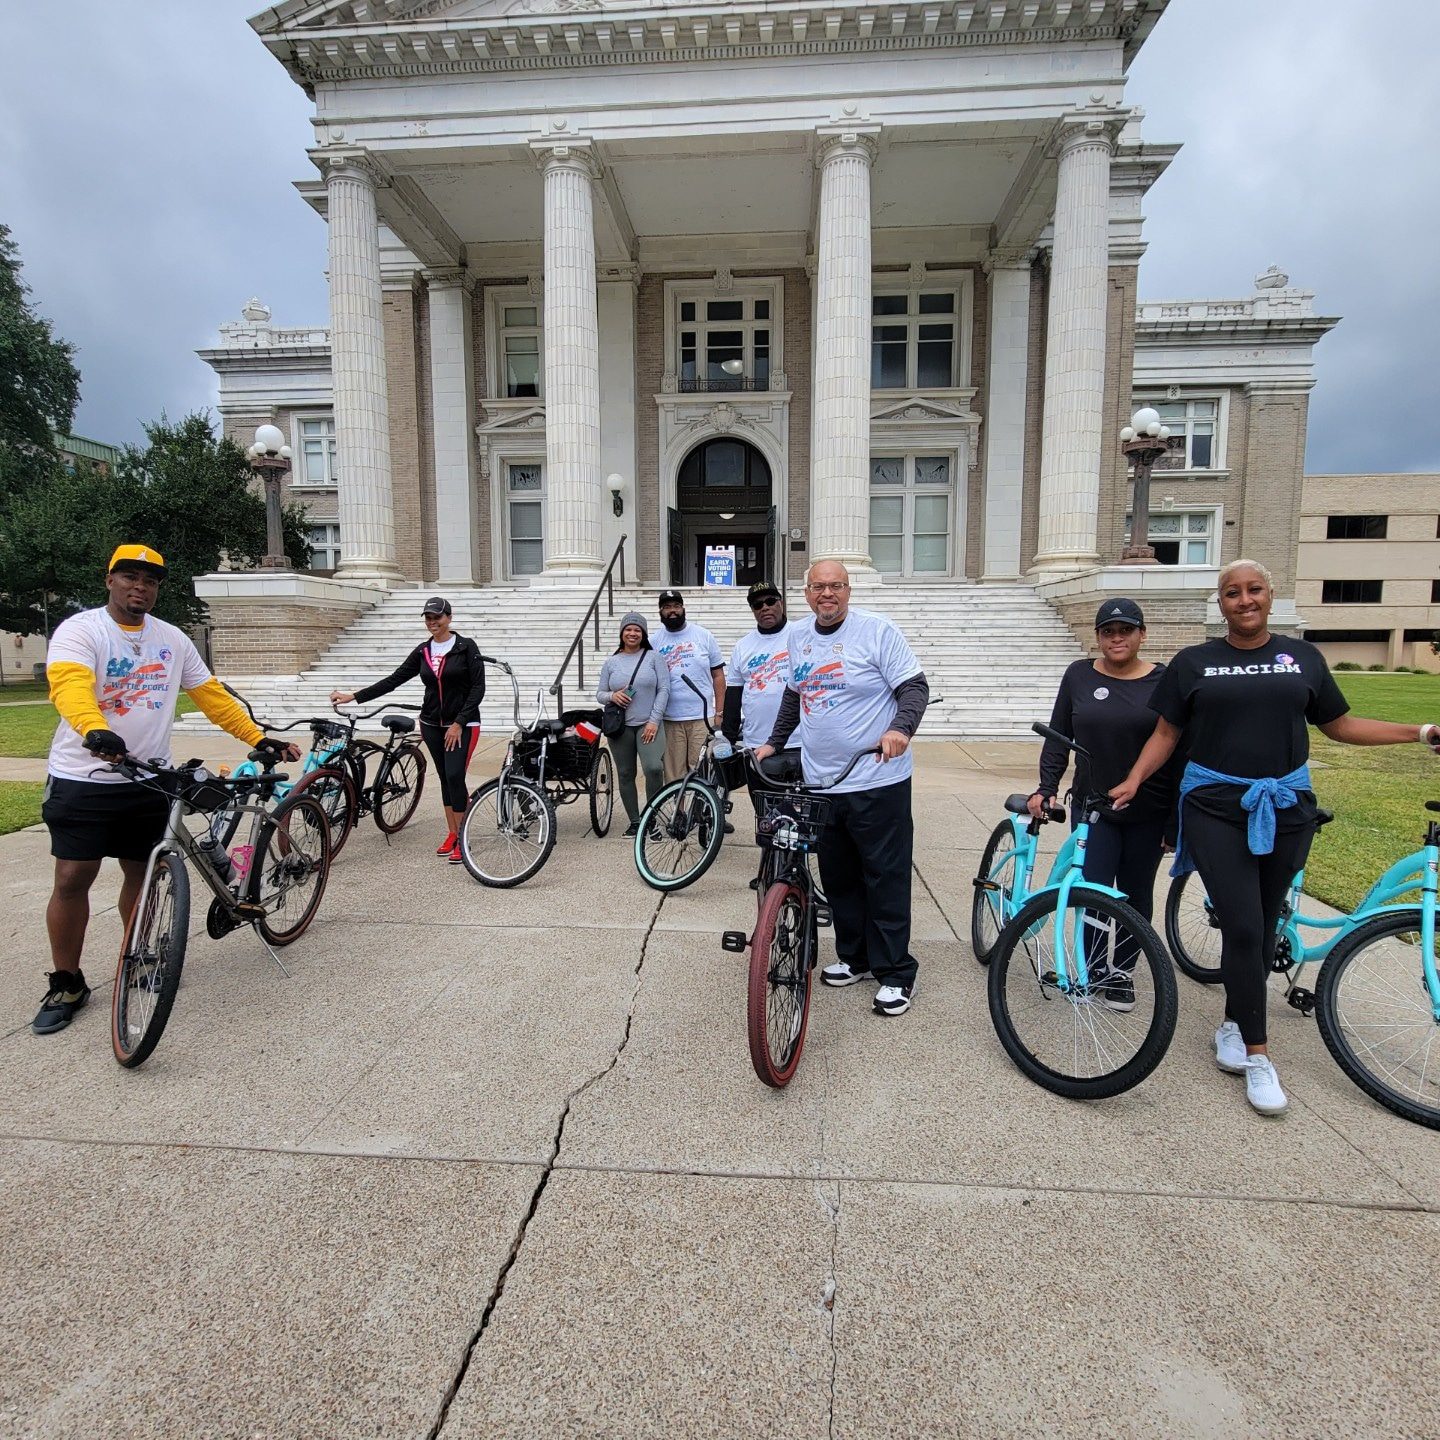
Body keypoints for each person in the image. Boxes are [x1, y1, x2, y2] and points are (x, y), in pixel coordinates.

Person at [1111, 559, 1440, 1115]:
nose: (1244, 599)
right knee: (1242, 922)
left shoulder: (1302, 658)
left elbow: (1340, 726)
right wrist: (1134, 779)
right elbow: (1167, 732)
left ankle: (1236, 1023)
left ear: (1270, 595)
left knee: (1264, 927)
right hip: (1216, 803)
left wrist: (1421, 731)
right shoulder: (1194, 663)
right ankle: (1258, 1057)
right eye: (1232, 592)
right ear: (1221, 603)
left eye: (1253, 590)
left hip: (1287, 805)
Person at [34, 544, 300, 1037]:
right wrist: (95, 729)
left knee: (143, 875)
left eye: (151, 580)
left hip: (149, 778)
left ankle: (138, 957)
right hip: (83, 776)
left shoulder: (172, 639)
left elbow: (211, 696)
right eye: (130, 576)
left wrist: (257, 737)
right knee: (72, 878)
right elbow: (68, 684)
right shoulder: (82, 629)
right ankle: (67, 982)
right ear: (109, 580)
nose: (141, 586)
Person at [754, 559, 929, 1016]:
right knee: (839, 876)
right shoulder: (798, 637)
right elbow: (795, 694)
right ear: (807, 593)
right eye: (817, 587)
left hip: (877, 778)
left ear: (847, 590)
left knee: (884, 875)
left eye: (835, 586)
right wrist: (773, 742)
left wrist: (901, 730)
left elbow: (914, 688)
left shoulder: (877, 631)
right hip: (822, 781)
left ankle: (895, 972)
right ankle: (855, 957)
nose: (826, 594)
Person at [1030, 597, 1180, 1010]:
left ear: (1141, 635)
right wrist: (1047, 786)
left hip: (1148, 807)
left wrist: (1174, 821)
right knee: (1093, 886)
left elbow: (1178, 749)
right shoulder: (1078, 675)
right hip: (1094, 806)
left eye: (1126, 631)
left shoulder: (1165, 682)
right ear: (1097, 637)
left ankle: (1121, 972)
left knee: (1134, 893)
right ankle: (1095, 966)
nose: (1117, 638)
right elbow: (1059, 734)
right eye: (1108, 632)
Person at [330, 596, 485, 862]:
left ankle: (463, 836)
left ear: (449, 617)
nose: (432, 622)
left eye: (437, 617)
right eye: (428, 617)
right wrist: (353, 696)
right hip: (431, 724)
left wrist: (459, 722)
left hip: (462, 725)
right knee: (445, 778)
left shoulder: (466, 647)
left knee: (456, 776)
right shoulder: (423, 651)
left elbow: (477, 688)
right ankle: (453, 832)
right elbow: (394, 680)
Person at [721, 580, 794, 817]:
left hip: (799, 743)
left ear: (780, 603)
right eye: (757, 604)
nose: (765, 607)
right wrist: (728, 738)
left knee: (798, 821)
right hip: (756, 744)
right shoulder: (743, 646)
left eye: (770, 601)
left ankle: (792, 856)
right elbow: (733, 696)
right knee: (765, 818)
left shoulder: (801, 635)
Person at [595, 611, 667, 837]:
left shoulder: (654, 658)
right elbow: (600, 693)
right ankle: (635, 821)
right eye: (628, 629)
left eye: (637, 629)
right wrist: (612, 697)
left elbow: (664, 690)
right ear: (622, 633)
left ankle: (651, 818)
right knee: (626, 773)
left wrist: (654, 721)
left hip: (648, 724)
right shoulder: (612, 662)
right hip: (620, 727)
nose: (632, 633)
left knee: (654, 769)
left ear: (643, 633)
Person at [653, 588, 724, 784]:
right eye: (667, 607)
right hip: (669, 719)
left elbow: (718, 676)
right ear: (660, 612)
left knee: (701, 772)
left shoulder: (703, 636)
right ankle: (680, 814)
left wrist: (720, 712)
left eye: (676, 606)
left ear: (683, 608)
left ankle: (699, 814)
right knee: (674, 775)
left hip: (702, 718)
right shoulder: (653, 642)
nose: (672, 610)